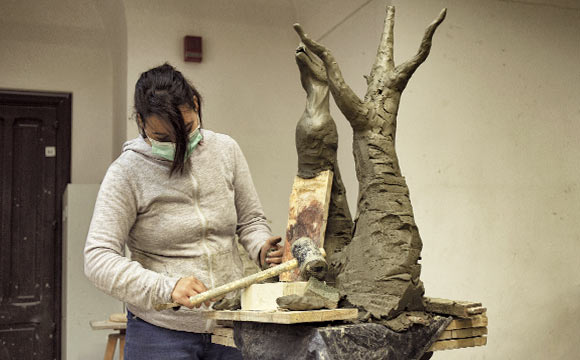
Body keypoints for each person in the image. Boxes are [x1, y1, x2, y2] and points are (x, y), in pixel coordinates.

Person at [84, 63, 283, 359]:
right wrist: (167, 287)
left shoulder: (226, 150)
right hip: (160, 332)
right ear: (140, 121)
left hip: (229, 325)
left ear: (196, 105)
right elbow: (97, 258)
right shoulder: (126, 173)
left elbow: (251, 221)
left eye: (187, 130)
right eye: (163, 138)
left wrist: (262, 250)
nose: (178, 146)